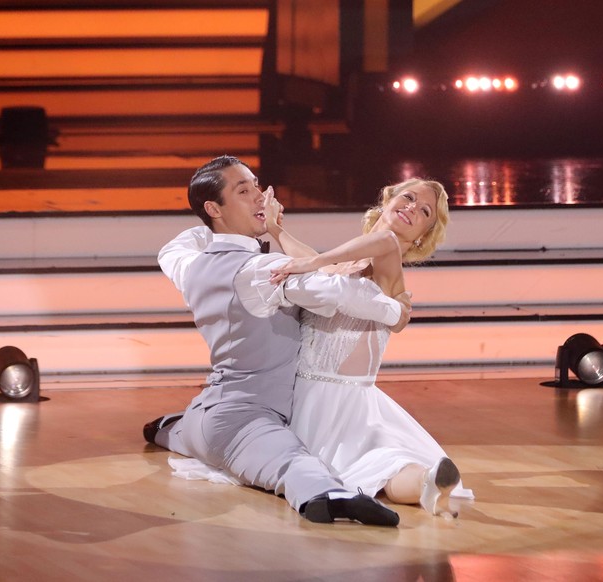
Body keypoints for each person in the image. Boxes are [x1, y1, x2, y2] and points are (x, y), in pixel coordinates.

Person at [142, 155, 413, 527]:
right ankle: (334, 496)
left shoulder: (190, 264)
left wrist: (223, 227)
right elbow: (335, 292)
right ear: (213, 207)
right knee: (290, 462)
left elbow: (173, 247)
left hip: (204, 415)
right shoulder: (261, 271)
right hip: (246, 420)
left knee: (189, 432)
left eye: (257, 186)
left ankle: (166, 429)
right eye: (244, 191)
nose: (261, 197)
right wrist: (394, 312)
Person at [264, 177, 473, 516]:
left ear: (422, 234)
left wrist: (311, 264)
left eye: (424, 212)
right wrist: (276, 231)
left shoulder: (389, 257)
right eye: (407, 198)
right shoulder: (348, 262)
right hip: (305, 395)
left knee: (376, 463)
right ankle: (426, 485)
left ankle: (426, 480)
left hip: (344, 401)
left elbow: (360, 249)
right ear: (386, 201)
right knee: (370, 469)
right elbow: (321, 262)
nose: (411, 209)